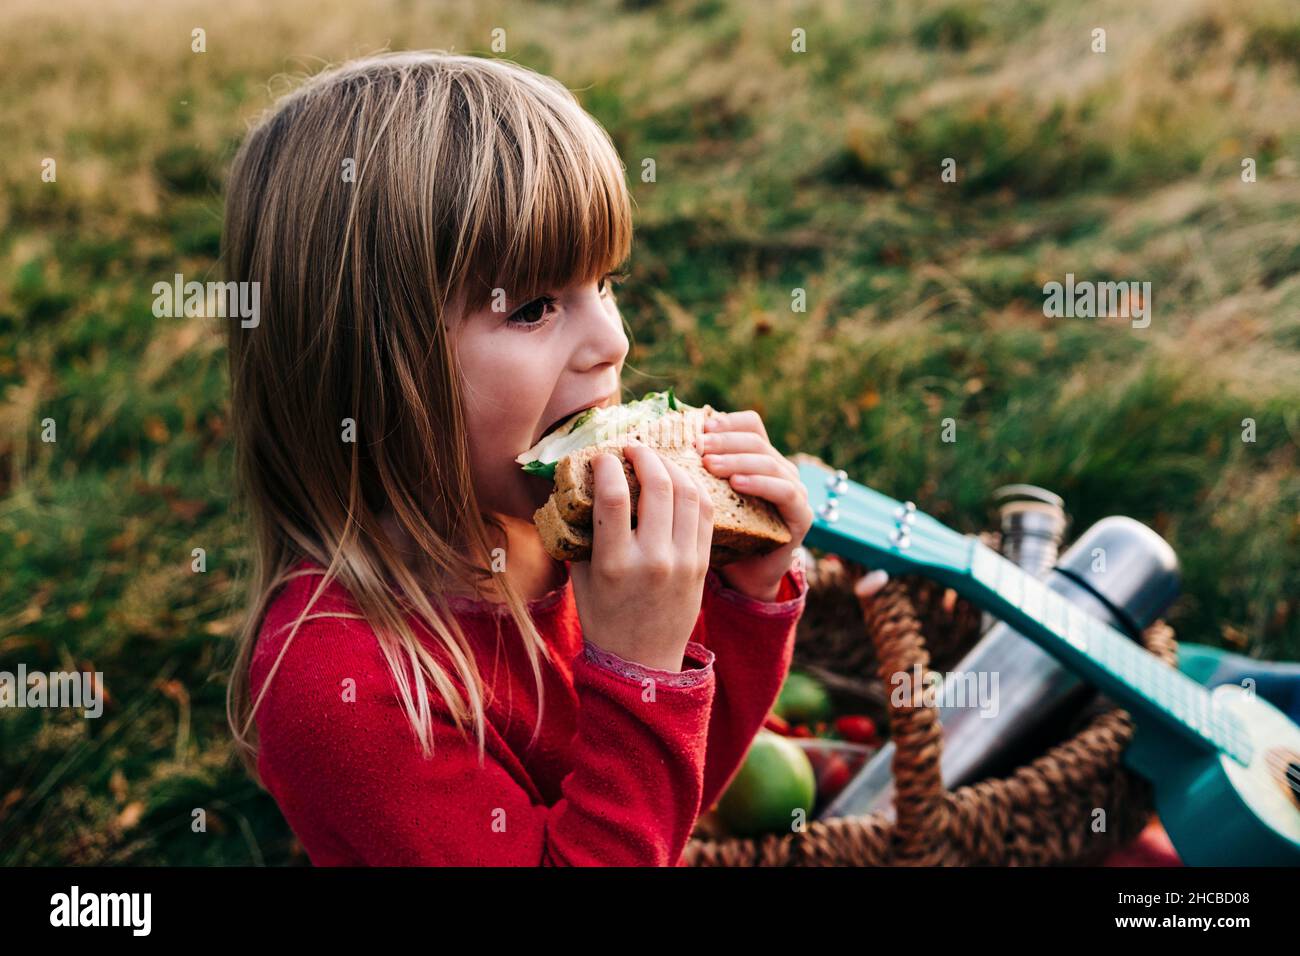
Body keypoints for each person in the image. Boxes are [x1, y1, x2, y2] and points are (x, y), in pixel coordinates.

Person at [222, 51, 814, 865]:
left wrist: (746, 595)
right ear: (372, 367)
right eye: (535, 307)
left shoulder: (560, 538)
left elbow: (676, 798)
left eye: (604, 284)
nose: (614, 341)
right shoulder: (343, 691)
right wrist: (637, 668)